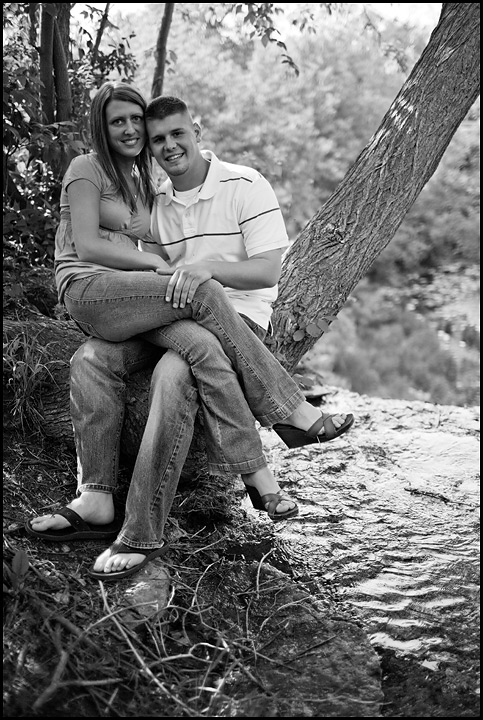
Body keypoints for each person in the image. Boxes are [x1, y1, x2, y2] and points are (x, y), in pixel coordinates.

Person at [26, 83, 354, 579]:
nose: (150, 138)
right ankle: (287, 417)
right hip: (143, 300)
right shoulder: (111, 178)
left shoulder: (229, 184)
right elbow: (103, 249)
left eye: (156, 128)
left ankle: (117, 516)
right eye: (128, 125)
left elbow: (267, 270)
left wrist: (187, 268)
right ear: (104, 128)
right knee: (190, 300)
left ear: (196, 131)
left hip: (205, 315)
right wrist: (162, 268)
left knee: (111, 360)